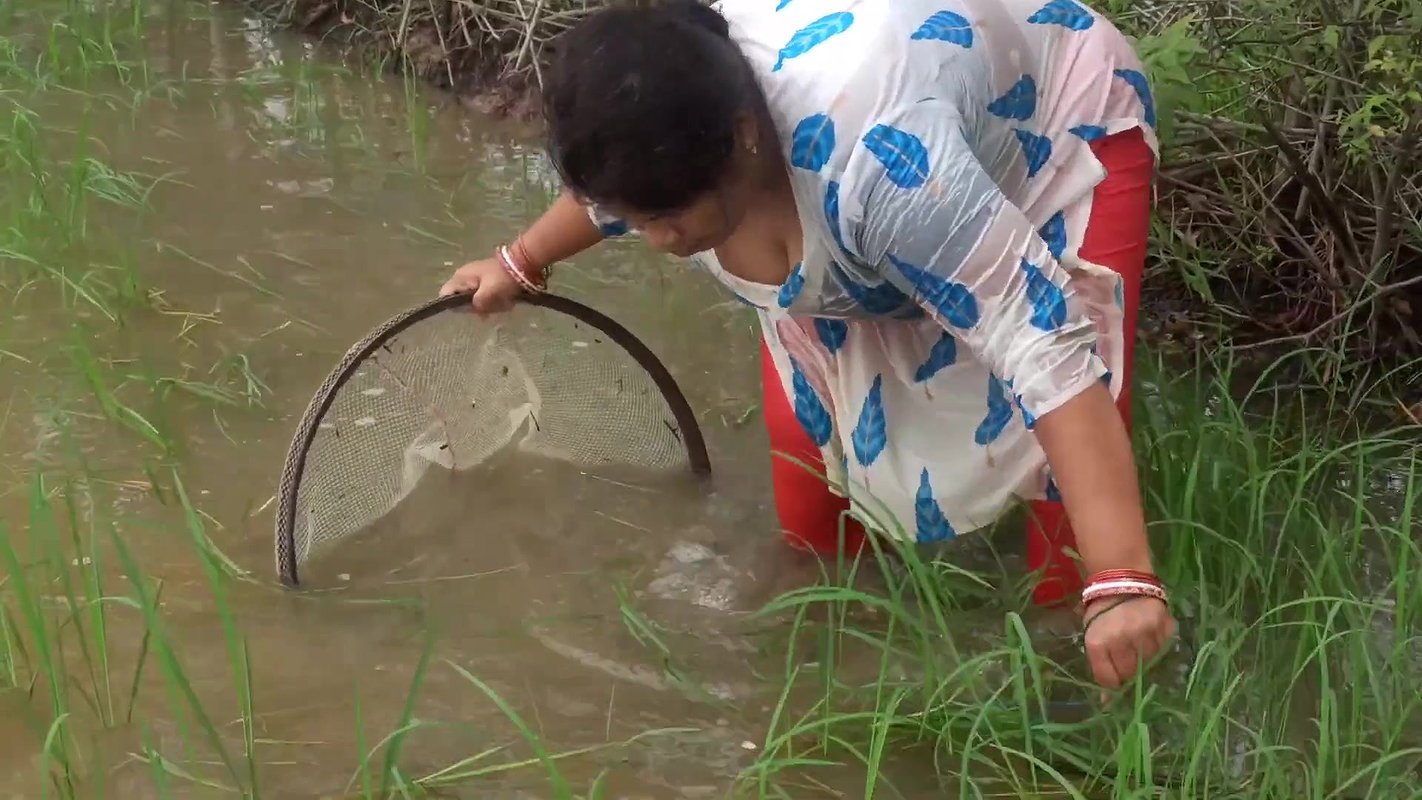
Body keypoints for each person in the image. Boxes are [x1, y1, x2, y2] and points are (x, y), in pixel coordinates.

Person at [440, 0, 1176, 691]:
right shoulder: (669, 106)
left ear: (743, 138)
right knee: (805, 449)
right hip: (872, 162)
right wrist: (519, 262)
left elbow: (1048, 351)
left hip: (1053, 119)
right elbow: (617, 187)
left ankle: (1067, 658)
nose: (657, 242)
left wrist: (1123, 582)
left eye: (668, 216)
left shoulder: (884, 171)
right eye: (635, 218)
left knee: (1064, 482)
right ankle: (835, 630)